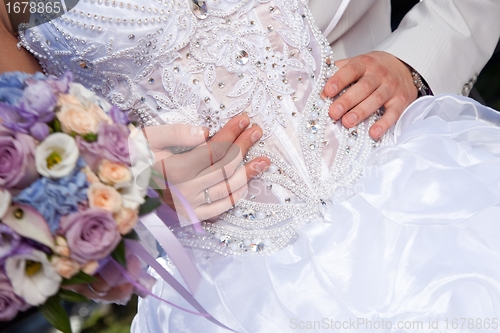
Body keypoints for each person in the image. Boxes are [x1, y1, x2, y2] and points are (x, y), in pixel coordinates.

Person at [1, 0, 500, 332]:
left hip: (418, 184)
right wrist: (137, 196)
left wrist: (415, 61)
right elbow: (44, 199)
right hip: (237, 285)